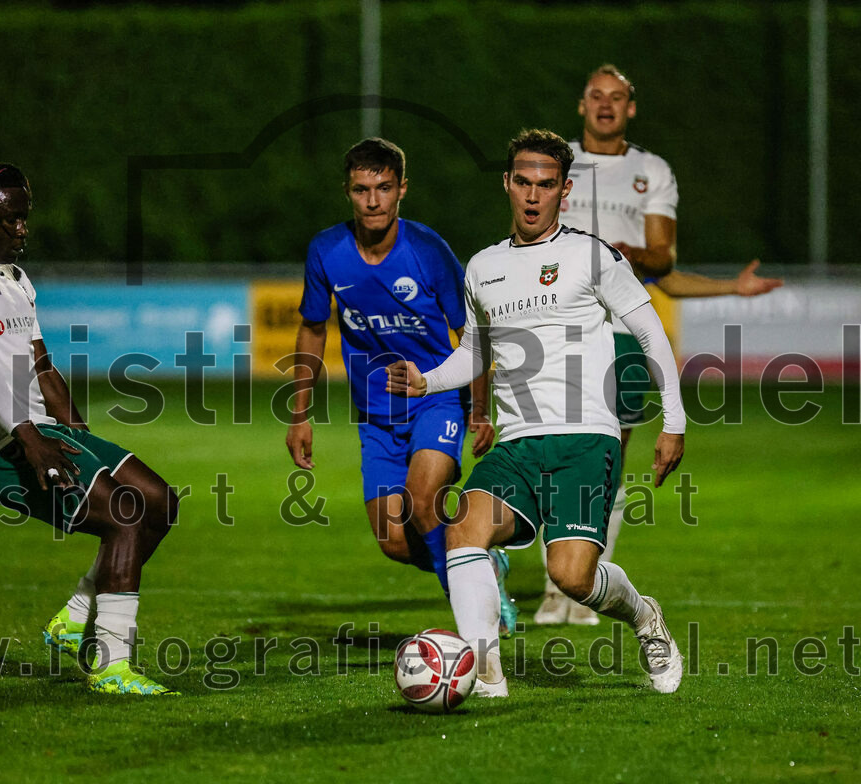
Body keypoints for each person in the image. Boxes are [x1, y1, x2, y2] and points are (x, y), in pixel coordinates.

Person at [388, 129, 687, 696]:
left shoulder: (591, 254)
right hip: (518, 444)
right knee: (464, 529)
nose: (532, 196)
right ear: (506, 183)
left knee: (571, 577)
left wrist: (674, 421)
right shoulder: (482, 267)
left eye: (545, 185)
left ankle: (645, 616)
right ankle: (485, 673)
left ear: (563, 191)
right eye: (522, 182)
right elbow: (474, 353)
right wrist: (426, 380)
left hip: (583, 440)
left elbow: (650, 334)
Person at [0, 156, 179, 696]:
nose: (22, 228)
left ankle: (75, 615)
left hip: (42, 431)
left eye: (24, 216)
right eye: (9, 219)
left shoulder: (14, 276)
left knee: (160, 501)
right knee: (126, 515)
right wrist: (32, 443)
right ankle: (110, 663)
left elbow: (40, 364)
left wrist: (78, 433)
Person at [533, 64, 783, 625]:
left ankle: (582, 582)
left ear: (631, 108)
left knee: (604, 457)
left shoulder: (651, 170)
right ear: (581, 105)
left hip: (619, 332)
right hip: (555, 328)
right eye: (596, 96)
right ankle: (557, 583)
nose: (605, 105)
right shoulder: (552, 166)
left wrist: (727, 289)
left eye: (616, 97)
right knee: (551, 452)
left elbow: (662, 264)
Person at [284, 138, 510, 626]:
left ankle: (478, 626)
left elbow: (470, 331)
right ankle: (481, 563)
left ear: (401, 189)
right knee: (394, 542)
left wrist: (480, 407)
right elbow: (312, 327)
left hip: (435, 398)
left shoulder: (428, 250)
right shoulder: (326, 251)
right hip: (375, 415)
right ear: (347, 191)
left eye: (383, 188)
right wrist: (299, 414)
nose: (372, 201)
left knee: (422, 501)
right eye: (362, 189)